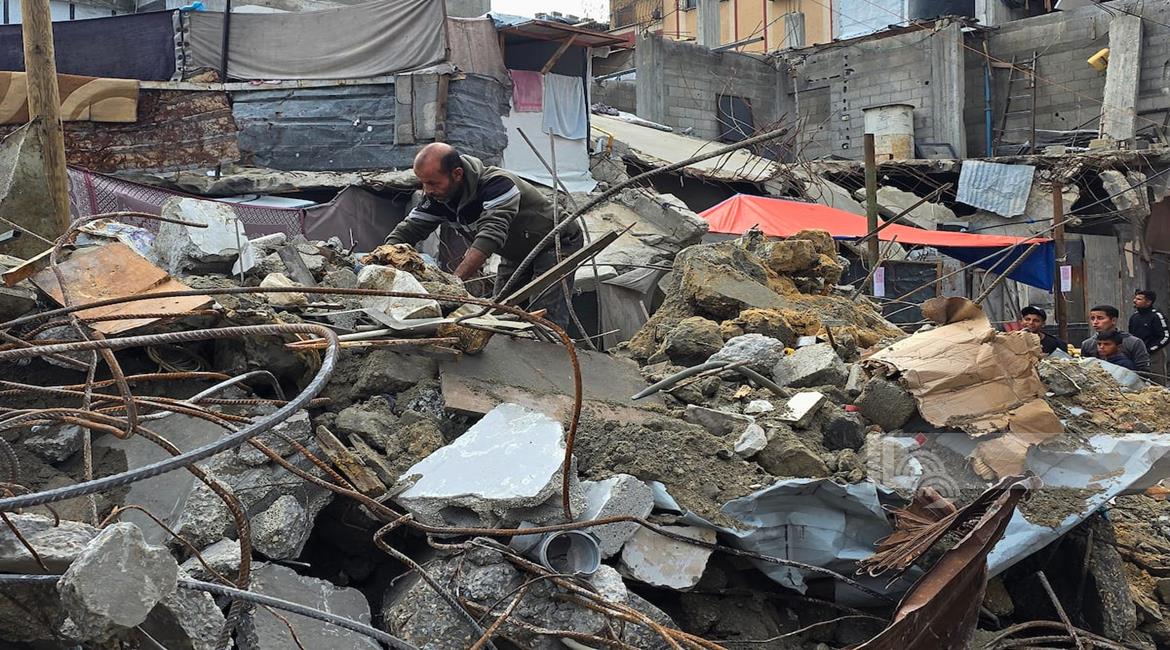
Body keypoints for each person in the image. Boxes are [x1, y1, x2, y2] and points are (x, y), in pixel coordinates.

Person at [385, 143, 583, 328]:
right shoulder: (439, 197)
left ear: (457, 174)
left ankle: (551, 348)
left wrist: (454, 284)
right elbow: (409, 229)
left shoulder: (498, 185)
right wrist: (381, 260)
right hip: (517, 251)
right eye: (423, 183)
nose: (427, 191)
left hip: (556, 242)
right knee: (501, 310)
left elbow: (490, 236)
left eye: (432, 183)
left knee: (544, 316)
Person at [1080, 304, 1150, 371]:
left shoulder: (1133, 342)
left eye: (1100, 318)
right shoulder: (1087, 344)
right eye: (1092, 318)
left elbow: (1143, 370)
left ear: (1113, 320)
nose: (1095, 322)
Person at [1129, 290, 1169, 382]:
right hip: (1138, 354)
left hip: (1154, 354)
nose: (1134, 301)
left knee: (1157, 380)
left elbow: (1165, 337)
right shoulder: (1134, 317)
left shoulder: (1156, 316)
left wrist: (1151, 349)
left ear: (1148, 302)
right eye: (1135, 298)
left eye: (1139, 299)